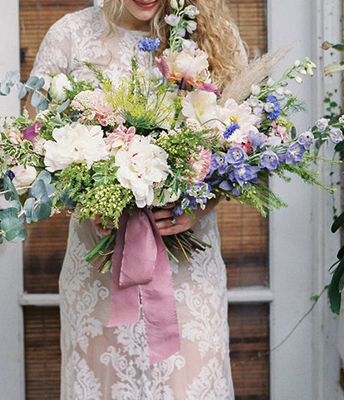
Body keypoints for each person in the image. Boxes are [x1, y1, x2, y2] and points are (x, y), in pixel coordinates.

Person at [30, 1, 246, 398]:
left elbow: (244, 141)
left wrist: (202, 203)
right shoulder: (69, 35)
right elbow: (36, 145)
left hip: (187, 270)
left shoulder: (215, 35)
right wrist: (87, 199)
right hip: (98, 266)